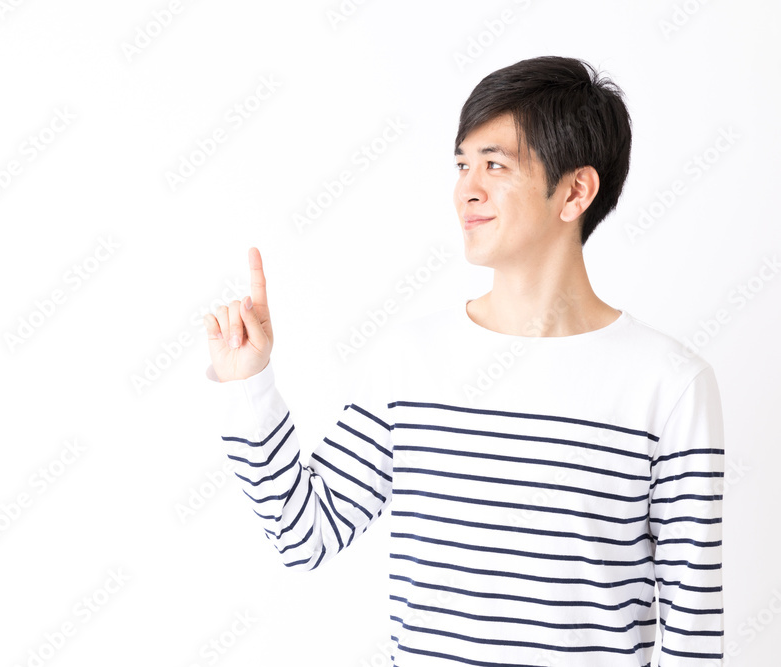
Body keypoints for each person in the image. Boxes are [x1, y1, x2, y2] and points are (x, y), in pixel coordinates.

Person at [202, 56, 724, 666]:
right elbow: (306, 538)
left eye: (495, 164)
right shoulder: (410, 360)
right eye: (461, 164)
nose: (466, 189)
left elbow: (693, 638)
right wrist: (249, 384)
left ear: (576, 190)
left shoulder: (671, 386)